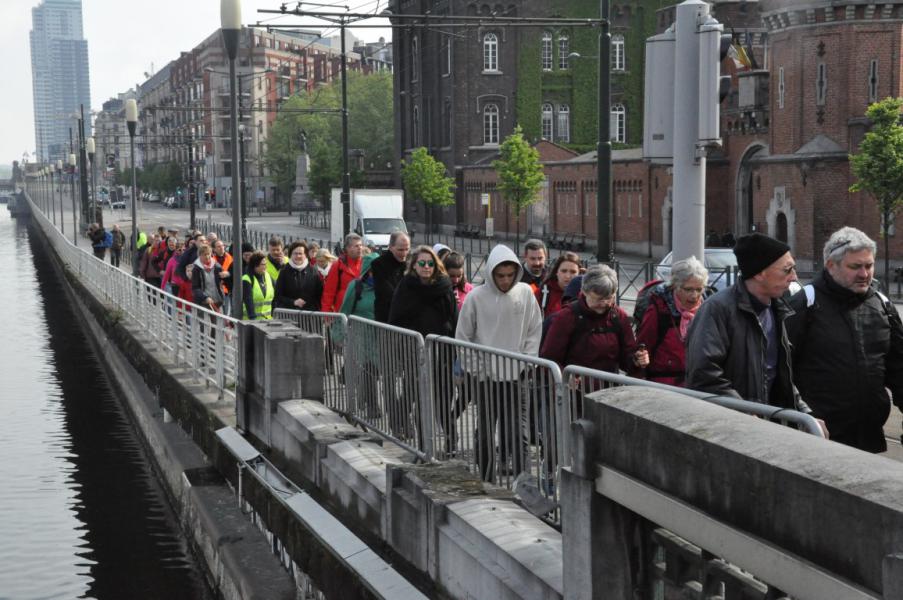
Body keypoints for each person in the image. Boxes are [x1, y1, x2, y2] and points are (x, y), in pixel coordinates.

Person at [787, 227, 903, 452]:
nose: (864, 274)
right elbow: (781, 368)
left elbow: (899, 368)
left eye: (868, 265)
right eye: (855, 266)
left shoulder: (882, 305)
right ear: (831, 266)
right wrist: (801, 415)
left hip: (869, 434)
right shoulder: (805, 303)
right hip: (818, 438)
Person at [685, 233, 811, 414]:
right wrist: (747, 415)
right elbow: (704, 376)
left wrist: (805, 414)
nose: (794, 277)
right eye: (787, 270)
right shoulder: (717, 309)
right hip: (734, 427)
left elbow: (780, 375)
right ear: (760, 273)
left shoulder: (776, 308)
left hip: (767, 423)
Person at [456, 245, 543, 482]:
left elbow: (535, 329)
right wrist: (478, 370)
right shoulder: (476, 297)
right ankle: (486, 478)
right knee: (485, 430)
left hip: (518, 375)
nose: (505, 281)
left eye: (509, 275)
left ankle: (523, 482)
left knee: (520, 431)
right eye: (500, 276)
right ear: (491, 274)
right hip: (486, 378)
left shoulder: (525, 292)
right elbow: (463, 337)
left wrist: (527, 362)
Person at [389, 245, 458, 441]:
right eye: (422, 263)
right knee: (418, 399)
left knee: (444, 401)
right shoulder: (406, 287)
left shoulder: (444, 286)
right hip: (415, 352)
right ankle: (423, 445)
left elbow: (454, 319)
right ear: (414, 265)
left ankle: (452, 440)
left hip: (442, 352)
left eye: (430, 263)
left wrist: (455, 352)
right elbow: (395, 318)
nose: (426, 267)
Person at [541, 265, 649, 376]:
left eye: (609, 298)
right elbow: (550, 359)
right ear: (584, 291)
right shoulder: (567, 316)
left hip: (608, 388)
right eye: (598, 299)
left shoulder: (618, 316)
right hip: (575, 389)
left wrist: (637, 360)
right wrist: (566, 378)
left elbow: (627, 356)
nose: (604, 303)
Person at [635, 256, 708, 386]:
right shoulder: (659, 308)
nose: (694, 295)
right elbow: (643, 346)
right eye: (688, 289)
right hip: (664, 385)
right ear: (675, 286)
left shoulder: (707, 309)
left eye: (699, 289)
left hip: (698, 383)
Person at [371, 231, 411, 323]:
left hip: (408, 317)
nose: (404, 253)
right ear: (391, 247)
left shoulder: (412, 262)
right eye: (400, 250)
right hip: (387, 317)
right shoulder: (379, 264)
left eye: (407, 249)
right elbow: (385, 291)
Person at [274, 241, 323, 312]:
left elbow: (319, 295)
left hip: (310, 315)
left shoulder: (313, 271)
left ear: (305, 255)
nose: (298, 256)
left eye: (300, 253)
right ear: (290, 255)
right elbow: (278, 296)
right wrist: (293, 302)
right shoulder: (284, 271)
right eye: (295, 253)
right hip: (289, 315)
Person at [321, 233, 364, 313]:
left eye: (361, 245)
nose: (360, 248)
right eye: (356, 246)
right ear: (347, 248)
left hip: (362, 313)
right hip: (342, 312)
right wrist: (327, 316)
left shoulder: (366, 264)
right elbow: (329, 293)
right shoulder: (338, 266)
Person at [536, 252, 581, 318]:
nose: (568, 276)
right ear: (556, 272)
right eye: (564, 271)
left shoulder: (585, 295)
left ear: (579, 273)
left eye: (573, 272)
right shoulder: (543, 292)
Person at [191, 243, 225, 314]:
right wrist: (205, 297)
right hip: (203, 302)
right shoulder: (196, 269)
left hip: (217, 301)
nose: (207, 256)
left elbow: (222, 282)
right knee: (204, 324)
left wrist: (226, 276)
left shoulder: (217, 267)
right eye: (204, 254)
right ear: (200, 256)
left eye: (208, 254)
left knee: (218, 324)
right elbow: (195, 287)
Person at [241, 252, 275, 320]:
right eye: (263, 264)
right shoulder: (247, 279)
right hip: (251, 322)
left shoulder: (268, 276)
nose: (266, 266)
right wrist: (253, 319)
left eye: (266, 264)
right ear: (255, 265)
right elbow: (248, 301)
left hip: (267, 320)